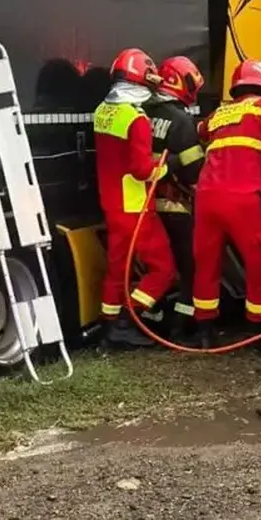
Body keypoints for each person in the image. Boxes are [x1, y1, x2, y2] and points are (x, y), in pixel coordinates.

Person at [191, 58, 261, 346]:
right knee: (257, 258)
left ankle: (204, 330)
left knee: (207, 263)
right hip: (241, 197)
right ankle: (258, 329)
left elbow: (200, 131)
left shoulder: (221, 112)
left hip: (206, 196)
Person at [93, 47, 177, 347]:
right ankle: (131, 318)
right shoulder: (137, 119)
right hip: (136, 208)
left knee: (117, 268)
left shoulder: (102, 112)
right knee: (163, 269)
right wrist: (166, 167)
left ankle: (110, 325)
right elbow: (142, 170)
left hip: (111, 203)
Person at [146, 56, 206, 334]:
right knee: (189, 269)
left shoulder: (143, 112)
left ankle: (153, 319)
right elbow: (194, 172)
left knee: (158, 267)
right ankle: (182, 326)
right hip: (176, 206)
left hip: (146, 205)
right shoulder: (181, 121)